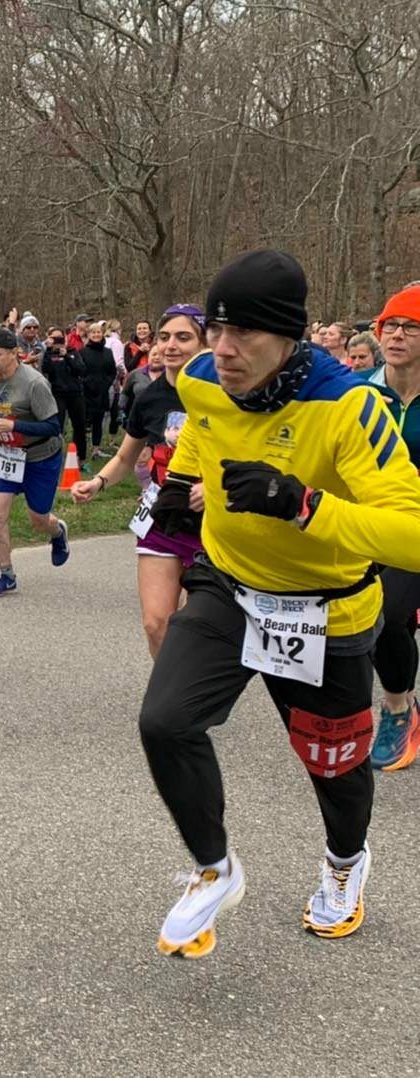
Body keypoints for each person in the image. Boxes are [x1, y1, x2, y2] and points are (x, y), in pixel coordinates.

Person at [139, 250, 420, 958]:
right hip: (230, 586)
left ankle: (345, 863)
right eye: (216, 331)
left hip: (324, 610)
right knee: (165, 721)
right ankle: (214, 868)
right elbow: (203, 429)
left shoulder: (348, 406)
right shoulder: (205, 377)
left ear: (289, 337)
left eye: (244, 337)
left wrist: (306, 507)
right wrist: (182, 478)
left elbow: (412, 533)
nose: (222, 351)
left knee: (332, 765)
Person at [69, 306, 207, 657]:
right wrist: (96, 483)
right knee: (155, 623)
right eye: (164, 337)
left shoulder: (223, 393)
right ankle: (171, 695)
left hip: (214, 524)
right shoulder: (150, 395)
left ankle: (190, 700)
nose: (170, 345)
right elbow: (125, 458)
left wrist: (216, 487)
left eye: (183, 337)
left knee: (197, 627)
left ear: (205, 343)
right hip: (163, 514)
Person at [0, 327, 71, 597]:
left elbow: (53, 427)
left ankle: (57, 532)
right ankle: (6, 575)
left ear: (14, 354)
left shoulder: (34, 383)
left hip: (40, 456)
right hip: (6, 455)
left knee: (38, 520)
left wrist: (14, 424)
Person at [366, 285, 420, 770]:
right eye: (389, 327)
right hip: (374, 526)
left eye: (410, 327)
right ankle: (400, 705)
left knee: (390, 614)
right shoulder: (360, 392)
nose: (396, 335)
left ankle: (399, 707)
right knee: (381, 618)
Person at [41, 326, 89, 467]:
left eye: (60, 338)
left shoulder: (73, 352)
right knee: (57, 427)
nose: (58, 341)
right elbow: (45, 369)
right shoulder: (49, 354)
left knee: (79, 426)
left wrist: (66, 356)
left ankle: (80, 458)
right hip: (58, 394)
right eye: (54, 338)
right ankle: (55, 457)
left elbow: (81, 370)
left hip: (75, 394)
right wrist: (49, 350)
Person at [78, 321, 115, 459]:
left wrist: (106, 384)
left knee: (98, 422)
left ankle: (96, 449)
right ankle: (81, 450)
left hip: (102, 391)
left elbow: (112, 372)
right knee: (83, 422)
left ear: (102, 334)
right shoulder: (82, 352)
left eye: (98, 332)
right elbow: (79, 371)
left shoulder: (108, 352)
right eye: (93, 332)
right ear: (89, 335)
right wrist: (86, 383)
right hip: (86, 392)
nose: (96, 334)